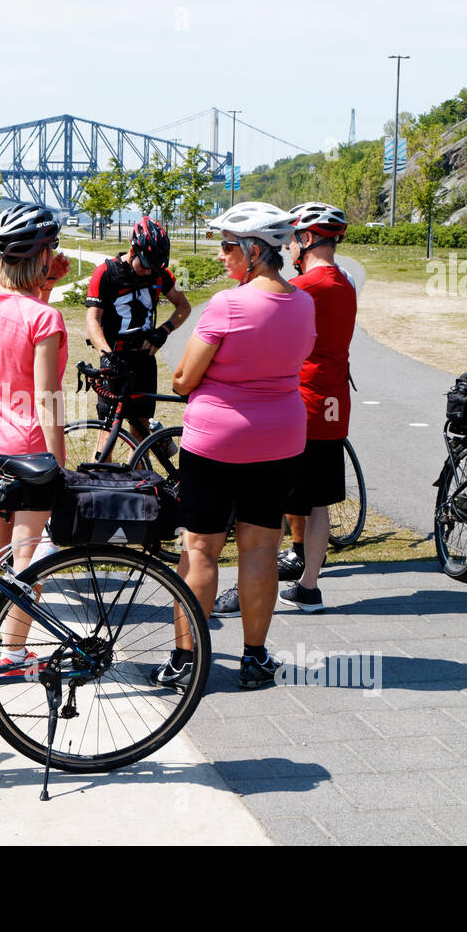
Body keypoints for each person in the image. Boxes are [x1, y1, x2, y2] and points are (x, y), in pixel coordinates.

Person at [158, 201, 315, 691]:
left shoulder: (228, 304)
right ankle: (255, 658)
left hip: (217, 440)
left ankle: (186, 661)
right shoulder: (304, 302)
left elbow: (184, 379)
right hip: (280, 438)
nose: (222, 256)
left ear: (253, 250)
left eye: (228, 247)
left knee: (201, 548)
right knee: (261, 547)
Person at [211, 201, 357, 617]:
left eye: (294, 240)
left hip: (300, 404)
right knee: (318, 503)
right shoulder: (345, 283)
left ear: (307, 239)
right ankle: (309, 587)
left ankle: (249, 593)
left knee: (267, 504)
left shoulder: (305, 288)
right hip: (333, 404)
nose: (290, 249)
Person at [0, 204, 68, 670]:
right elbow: (47, 399)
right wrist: (59, 466)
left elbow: (16, 297)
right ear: (44, 255)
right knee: (29, 557)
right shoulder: (45, 320)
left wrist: (41, 280)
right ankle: (11, 651)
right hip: (26, 448)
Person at [84, 217, 190, 451]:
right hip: (114, 361)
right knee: (108, 430)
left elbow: (184, 306)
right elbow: (93, 319)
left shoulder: (161, 274)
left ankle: (142, 482)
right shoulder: (106, 272)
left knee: (140, 431)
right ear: (133, 250)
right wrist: (105, 354)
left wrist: (164, 331)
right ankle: (100, 479)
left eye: (154, 267)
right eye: (144, 265)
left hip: (143, 362)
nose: (148, 272)